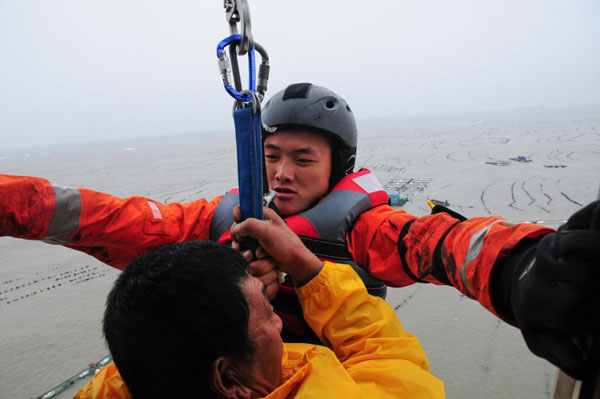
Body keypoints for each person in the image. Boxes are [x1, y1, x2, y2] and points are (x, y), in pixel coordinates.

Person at [1, 83, 599, 379]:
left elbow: (443, 243)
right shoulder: (223, 223)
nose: (283, 174)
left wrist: (521, 267)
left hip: (333, 377)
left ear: (337, 166)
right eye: (272, 155)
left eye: (303, 159)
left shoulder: (363, 228)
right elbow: (109, 218)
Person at [77, 208, 445, 399]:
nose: (280, 323)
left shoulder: (141, 374)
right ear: (225, 378)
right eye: (267, 315)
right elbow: (393, 361)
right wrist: (306, 266)